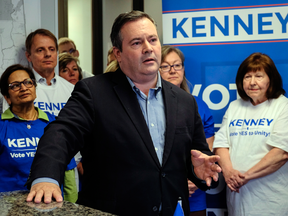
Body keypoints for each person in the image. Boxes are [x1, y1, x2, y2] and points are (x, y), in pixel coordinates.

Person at [26, 11, 221, 216]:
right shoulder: (93, 92)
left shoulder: (185, 101)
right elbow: (61, 134)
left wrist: (199, 169)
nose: (148, 48)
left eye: (153, 40)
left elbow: (198, 154)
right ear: (118, 53)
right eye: (136, 43)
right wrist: (46, 178)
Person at [213, 52, 288, 215]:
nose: (252, 83)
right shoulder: (235, 107)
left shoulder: (283, 106)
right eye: (247, 77)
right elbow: (220, 145)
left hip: (271, 202)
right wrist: (228, 172)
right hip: (237, 200)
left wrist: (245, 176)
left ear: (270, 79)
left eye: (259, 76)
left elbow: (281, 153)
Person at [160, 45, 215, 216]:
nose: (172, 70)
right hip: (160, 191)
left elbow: (206, 151)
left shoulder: (199, 105)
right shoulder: (147, 106)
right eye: (165, 66)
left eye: (177, 65)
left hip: (194, 191)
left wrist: (192, 179)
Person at [0, 64, 55, 192]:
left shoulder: (54, 123)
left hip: (50, 202)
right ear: (7, 97)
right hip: (9, 206)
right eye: (15, 85)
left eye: (28, 82)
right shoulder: (2, 126)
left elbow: (68, 169)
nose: (23, 88)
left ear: (35, 88)